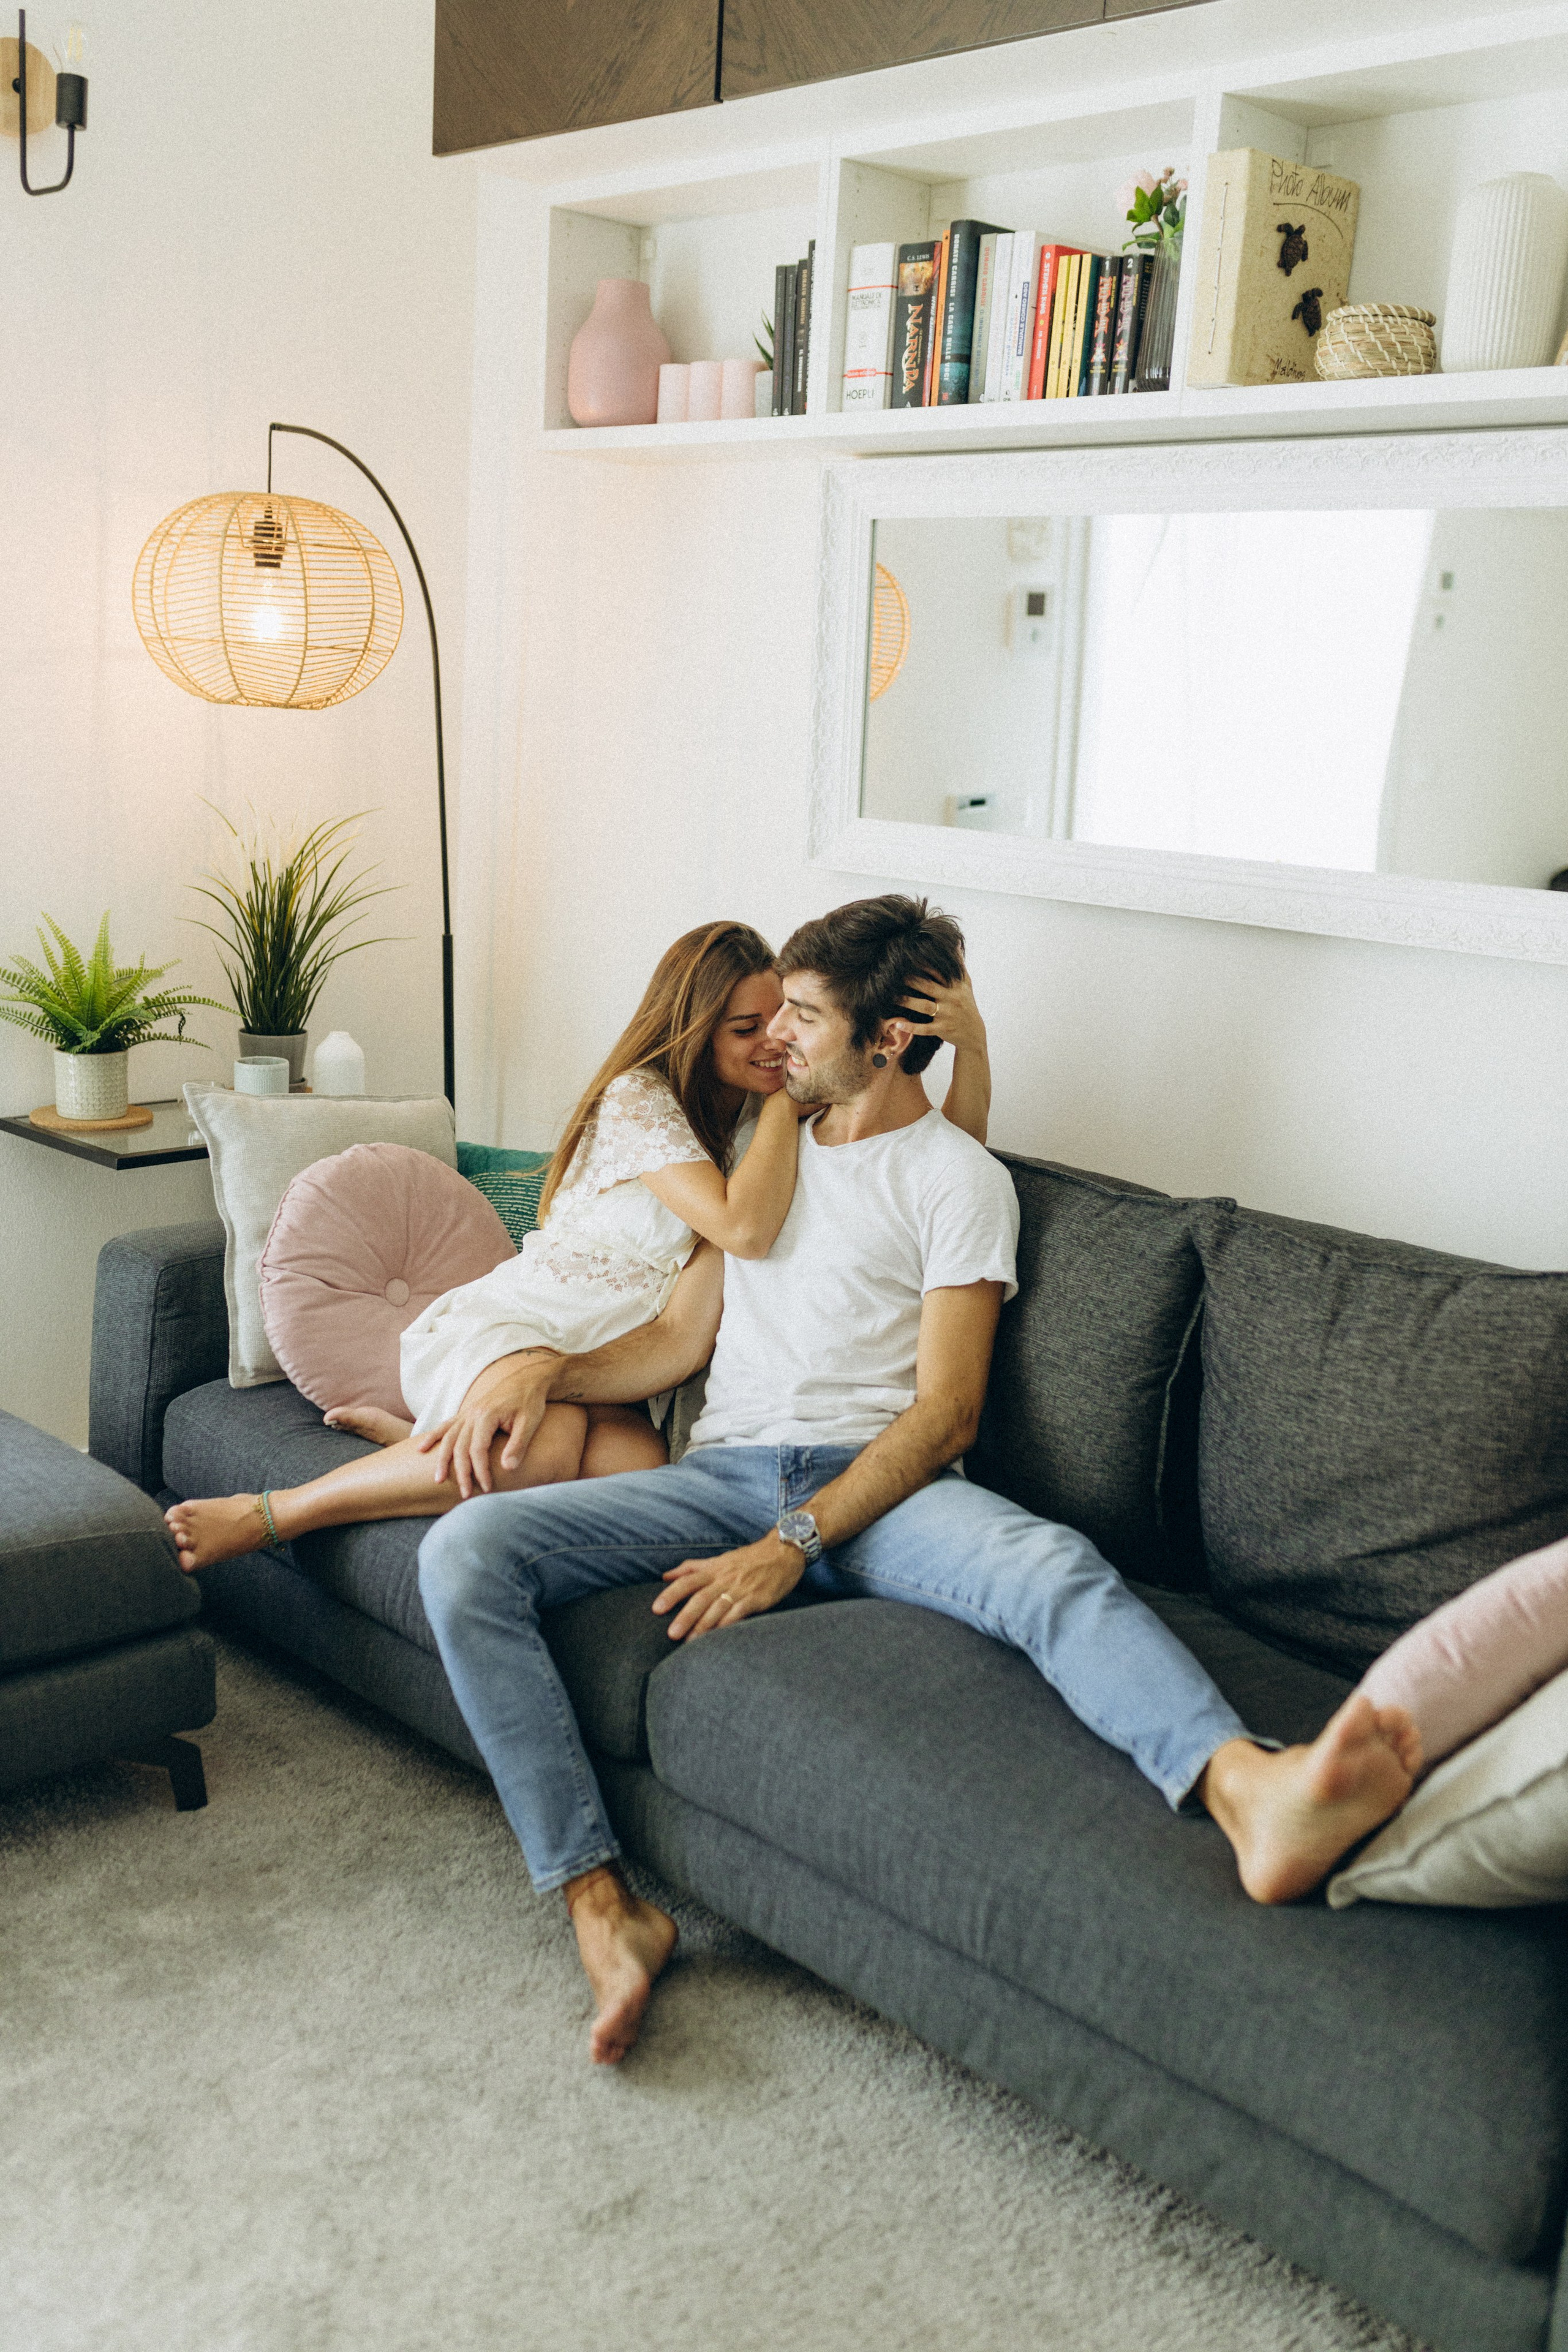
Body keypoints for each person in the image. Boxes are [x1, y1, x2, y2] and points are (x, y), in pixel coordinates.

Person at [413, 893, 1421, 2068]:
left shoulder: (957, 1182)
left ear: (886, 1038)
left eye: (798, 1014)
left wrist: (794, 1540)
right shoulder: (758, 1151)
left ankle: (1246, 1785)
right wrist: (540, 1369)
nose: (773, 1038)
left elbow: (947, 1414)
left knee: (1048, 1563)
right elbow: (680, 1346)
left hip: (880, 1490)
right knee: (463, 1552)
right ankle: (602, 1904)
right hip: (721, 1467)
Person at [165, 918, 992, 1572]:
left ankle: (421, 1447)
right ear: (695, 1026)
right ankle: (277, 1511)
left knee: (639, 1475)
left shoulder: (757, 1137)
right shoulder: (643, 1100)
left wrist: (971, 1050)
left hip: (609, 1374)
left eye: (783, 1021)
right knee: (544, 1445)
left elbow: (925, 1162)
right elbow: (742, 1228)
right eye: (749, 1028)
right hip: (520, 1329)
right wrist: (788, 1094)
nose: (774, 1041)